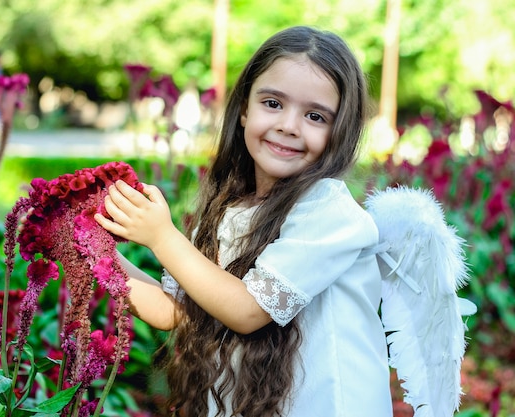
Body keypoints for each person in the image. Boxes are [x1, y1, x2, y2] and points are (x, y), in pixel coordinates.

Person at [94, 26, 393, 417]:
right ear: (244, 109)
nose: (289, 124)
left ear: (341, 132)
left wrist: (162, 237)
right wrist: (89, 250)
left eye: (315, 116)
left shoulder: (330, 214)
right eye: (273, 103)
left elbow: (247, 311)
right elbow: (175, 311)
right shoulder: (232, 205)